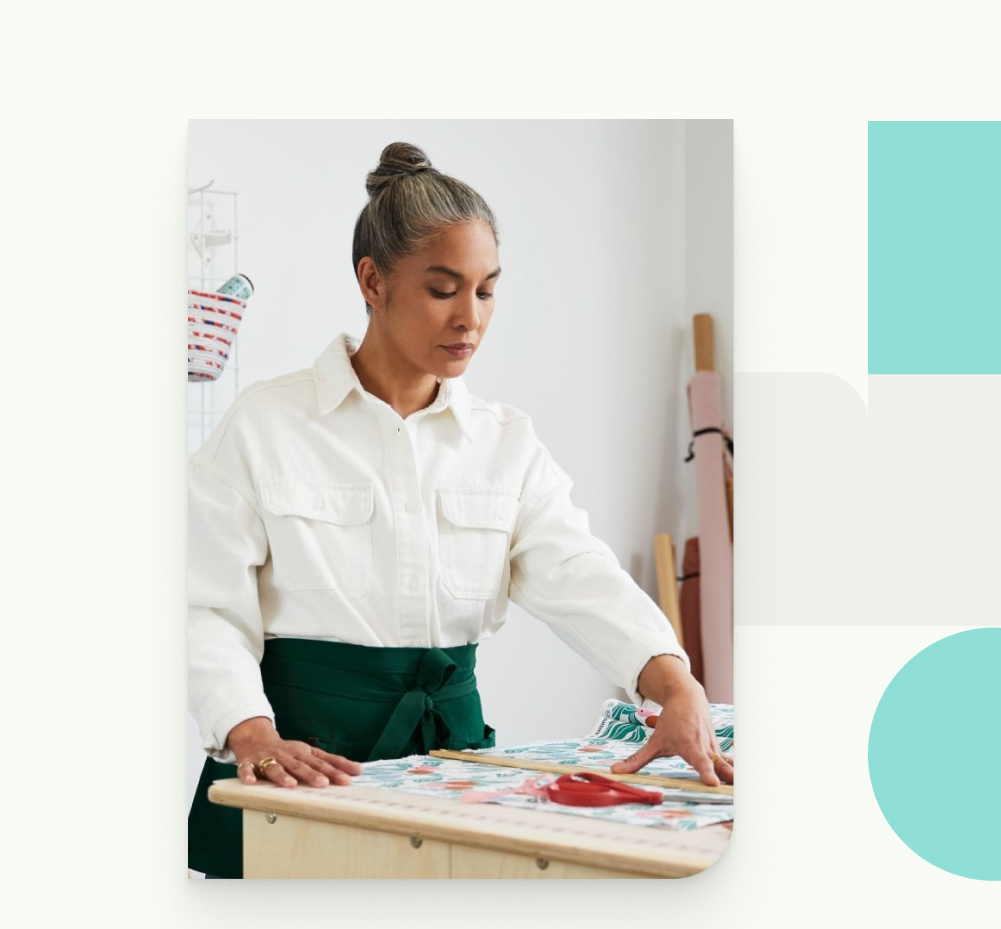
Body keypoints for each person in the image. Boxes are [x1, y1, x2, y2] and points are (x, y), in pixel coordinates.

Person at [186, 142, 732, 878]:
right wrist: (247, 729)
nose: (469, 318)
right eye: (443, 288)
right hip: (298, 767)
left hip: (452, 768)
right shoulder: (265, 423)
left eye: (486, 290)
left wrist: (674, 682)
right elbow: (203, 605)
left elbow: (577, 571)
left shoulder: (504, 442)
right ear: (372, 281)